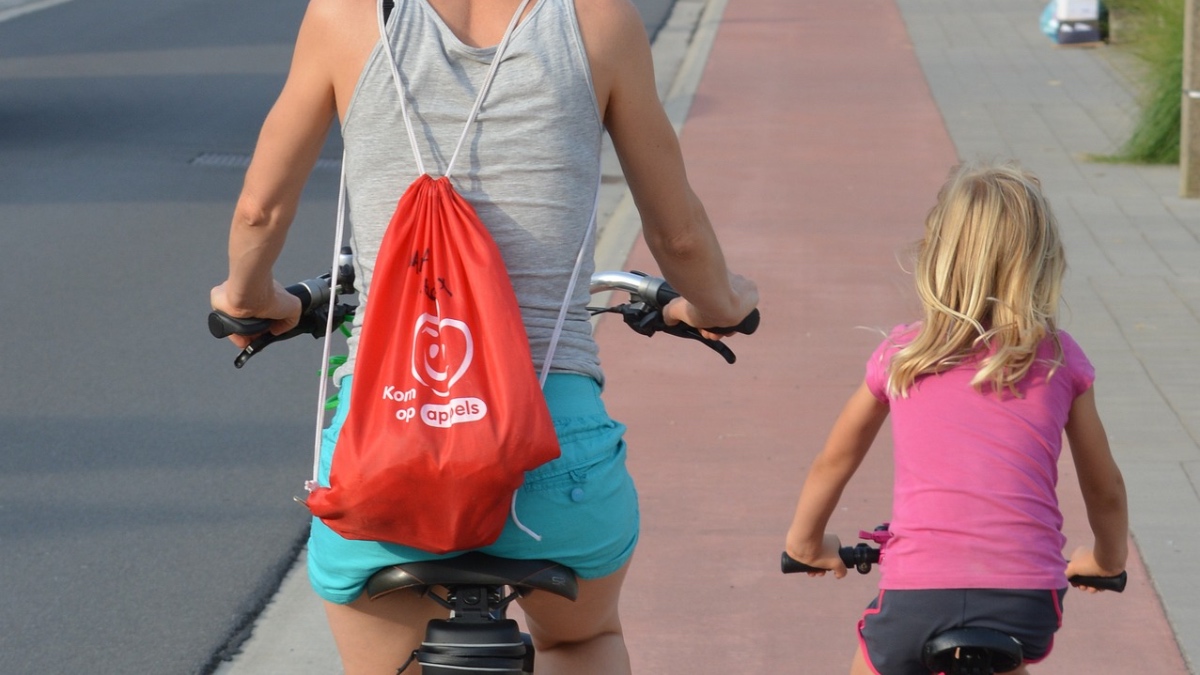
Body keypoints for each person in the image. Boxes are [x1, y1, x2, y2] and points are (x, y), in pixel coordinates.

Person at [209, 0, 758, 673]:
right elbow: (676, 233)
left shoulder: (343, 16)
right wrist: (720, 302)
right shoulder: (599, 22)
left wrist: (250, 299)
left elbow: (260, 210)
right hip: (553, 457)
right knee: (582, 639)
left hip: (389, 446)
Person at [783, 161, 1127, 675]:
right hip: (1027, 602)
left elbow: (833, 462)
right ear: (1041, 262)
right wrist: (1106, 561)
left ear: (937, 255)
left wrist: (806, 545)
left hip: (916, 598)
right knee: (1006, 654)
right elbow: (1104, 489)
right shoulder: (1058, 358)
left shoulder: (902, 355)